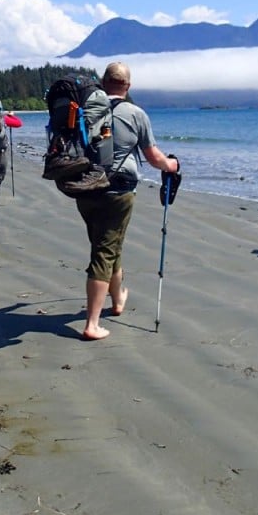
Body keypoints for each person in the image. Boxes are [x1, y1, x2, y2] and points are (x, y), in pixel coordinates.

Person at [76, 62, 180, 340]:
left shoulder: (86, 111)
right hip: (118, 191)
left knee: (109, 244)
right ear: (128, 86)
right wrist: (171, 165)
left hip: (85, 188)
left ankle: (117, 299)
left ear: (102, 82)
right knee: (104, 251)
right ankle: (92, 324)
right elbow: (154, 158)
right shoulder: (136, 114)